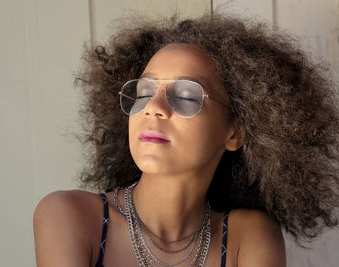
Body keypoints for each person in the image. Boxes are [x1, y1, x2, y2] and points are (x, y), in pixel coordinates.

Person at [33, 13, 339, 267]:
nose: (153, 107)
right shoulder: (70, 216)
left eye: (185, 96)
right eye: (143, 92)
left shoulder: (249, 238)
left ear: (235, 132)